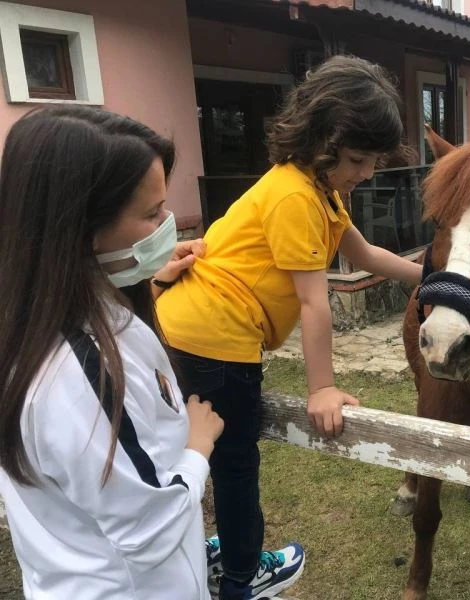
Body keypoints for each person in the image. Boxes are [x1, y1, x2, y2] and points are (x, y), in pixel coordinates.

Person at [156, 54, 423, 599]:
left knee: (193, 448)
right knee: (235, 462)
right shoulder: (296, 196)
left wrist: (434, 275)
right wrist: (321, 387)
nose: (367, 174)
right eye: (357, 159)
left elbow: (366, 253)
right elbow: (313, 301)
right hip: (214, 336)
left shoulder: (321, 190)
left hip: (195, 329)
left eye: (373, 161)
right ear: (321, 139)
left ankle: (216, 551)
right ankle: (241, 574)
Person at [0, 105, 225, 599]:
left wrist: (151, 272)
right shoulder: (83, 372)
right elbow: (150, 531)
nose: (169, 223)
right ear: (81, 229)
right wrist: (197, 449)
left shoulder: (34, 319)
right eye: (151, 214)